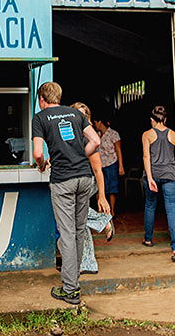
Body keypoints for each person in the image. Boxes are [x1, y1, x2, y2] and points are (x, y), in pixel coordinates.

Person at [32, 82, 100, 305]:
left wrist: (42, 164)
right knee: (79, 230)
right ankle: (74, 280)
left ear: (42, 99)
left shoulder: (40, 118)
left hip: (63, 181)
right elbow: (96, 141)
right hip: (84, 177)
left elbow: (37, 153)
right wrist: (80, 154)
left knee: (67, 233)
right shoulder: (75, 114)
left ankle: (70, 289)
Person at [71, 102, 114, 275]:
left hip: (88, 182)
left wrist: (102, 196)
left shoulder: (89, 138)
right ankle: (88, 263)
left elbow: (98, 170)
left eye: (83, 115)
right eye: (76, 114)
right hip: (74, 182)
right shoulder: (69, 136)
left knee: (75, 213)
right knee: (79, 224)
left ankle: (102, 221)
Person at [141, 105, 175, 262]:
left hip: (153, 175)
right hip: (171, 176)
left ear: (152, 120)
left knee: (150, 205)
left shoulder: (147, 134)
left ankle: (148, 239)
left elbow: (146, 157)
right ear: (166, 119)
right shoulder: (174, 135)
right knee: (171, 210)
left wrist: (149, 178)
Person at [93, 117, 125, 216]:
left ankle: (112, 210)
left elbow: (118, 150)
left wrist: (121, 166)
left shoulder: (113, 134)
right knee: (99, 188)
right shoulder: (96, 135)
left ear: (100, 121)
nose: (95, 125)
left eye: (95, 123)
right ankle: (101, 210)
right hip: (100, 165)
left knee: (112, 188)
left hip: (111, 163)